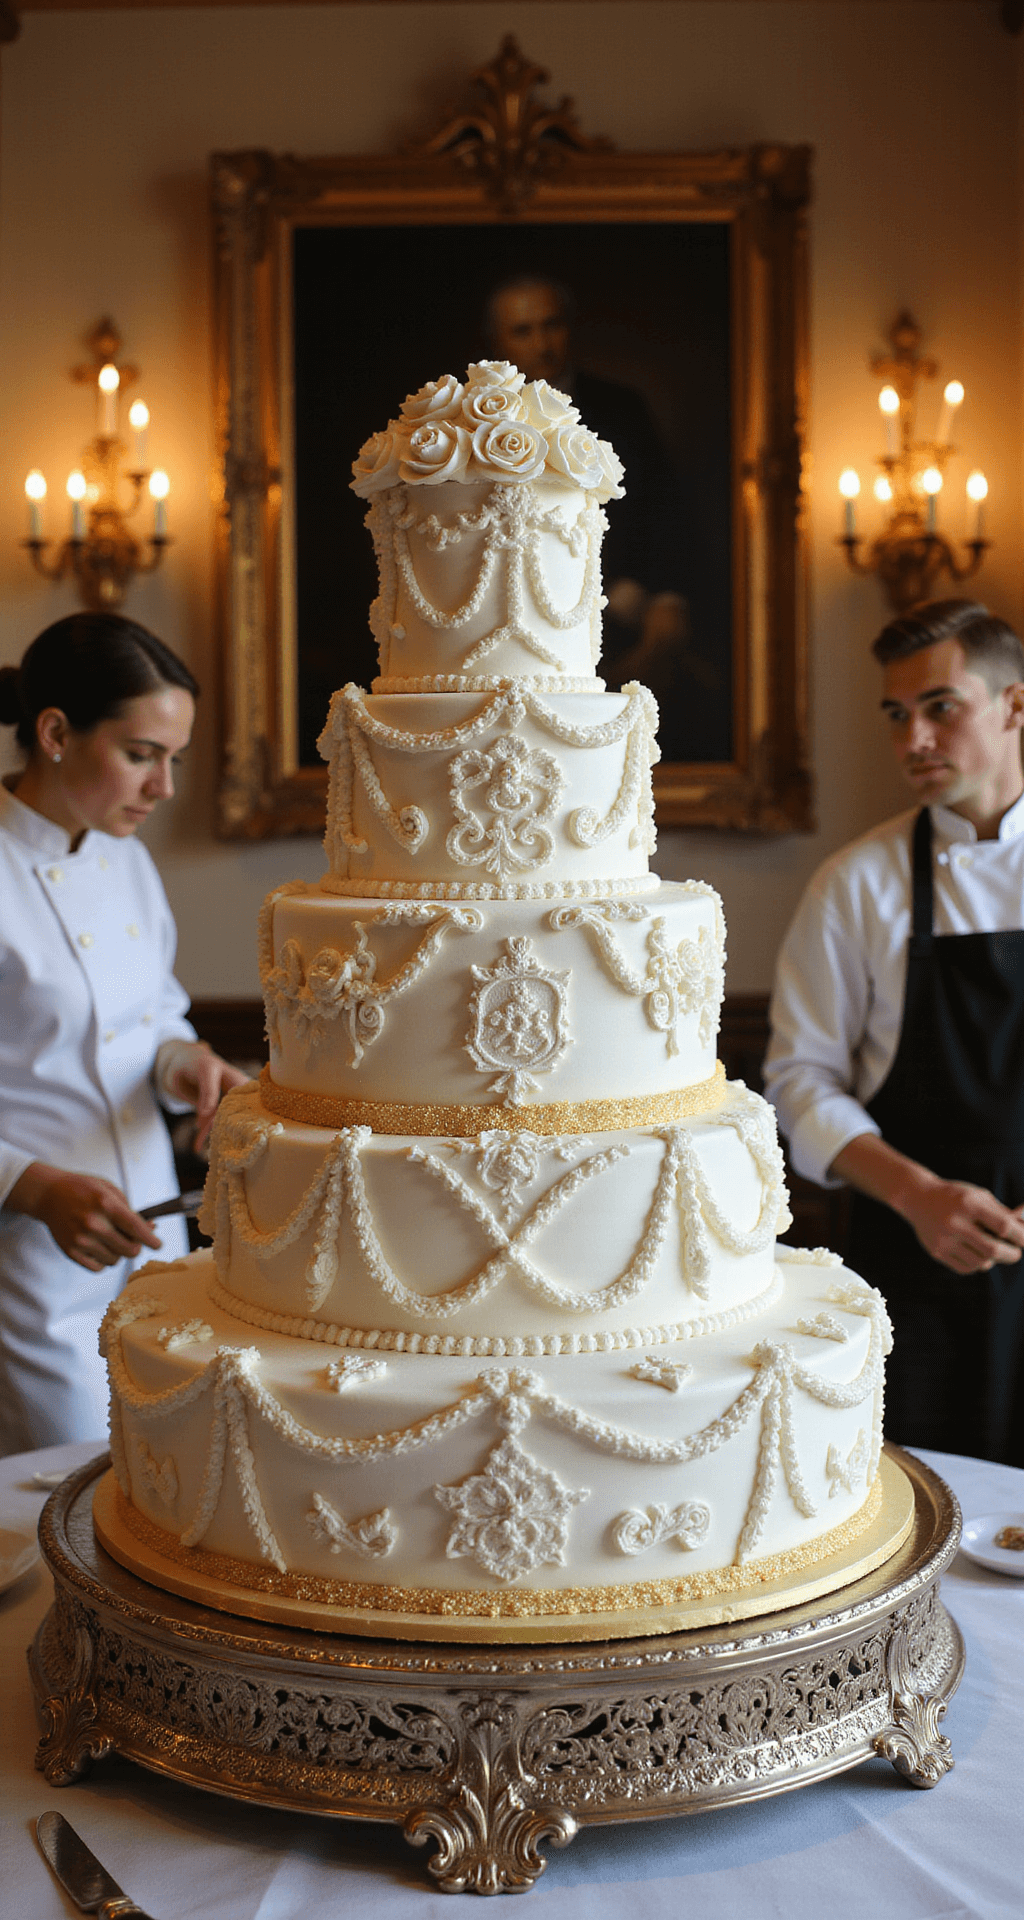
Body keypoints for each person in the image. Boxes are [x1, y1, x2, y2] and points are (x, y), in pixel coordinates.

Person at [765, 598, 1024, 1464]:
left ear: (1014, 706)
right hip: (911, 1275)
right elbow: (800, 1081)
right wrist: (919, 1197)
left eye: (940, 708)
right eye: (896, 714)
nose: (913, 738)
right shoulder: (856, 885)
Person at [0, 612, 247, 1454]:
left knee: (168, 1478)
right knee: (55, 1499)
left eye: (173, 758)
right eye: (142, 754)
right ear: (55, 734)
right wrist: (33, 1187)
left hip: (156, 1255)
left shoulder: (126, 860)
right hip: (30, 1266)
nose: (163, 787)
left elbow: (154, 1020)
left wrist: (188, 1063)